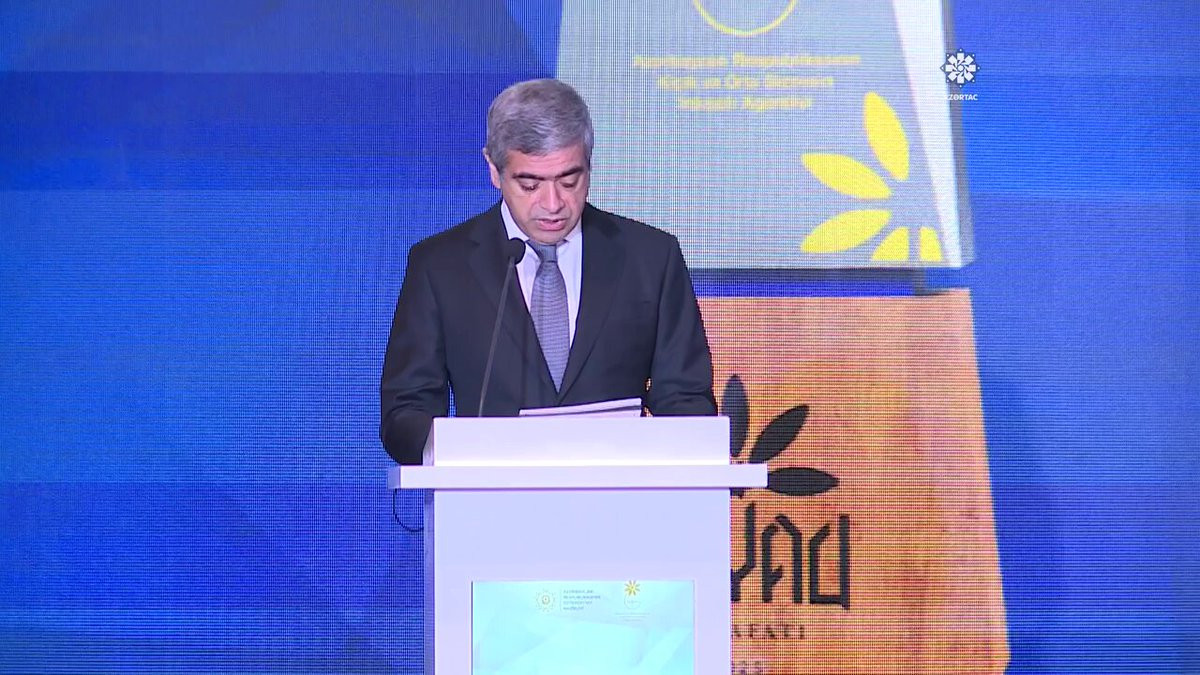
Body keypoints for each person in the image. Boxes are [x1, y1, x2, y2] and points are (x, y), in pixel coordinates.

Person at [380, 78, 715, 465]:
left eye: (569, 181)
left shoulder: (651, 257)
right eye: (530, 184)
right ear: (494, 169)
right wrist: (451, 448)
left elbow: (687, 399)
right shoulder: (440, 266)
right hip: (489, 493)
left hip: (621, 493)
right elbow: (406, 409)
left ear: (589, 164)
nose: (553, 204)